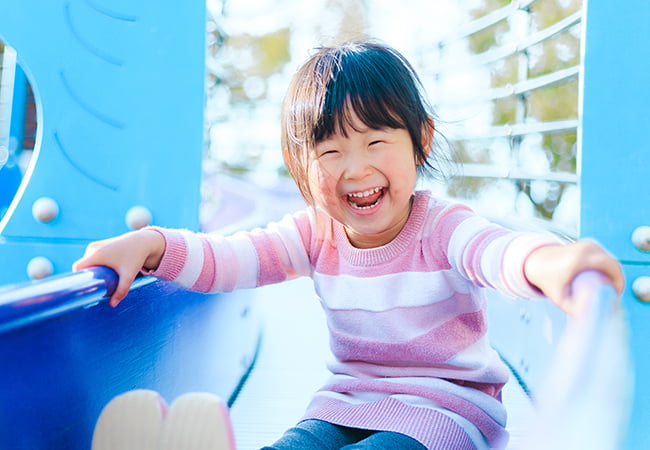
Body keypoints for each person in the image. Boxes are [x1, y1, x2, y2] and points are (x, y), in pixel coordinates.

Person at [77, 40, 624, 450]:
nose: (356, 169)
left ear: (421, 141)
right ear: (301, 166)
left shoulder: (443, 228)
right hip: (346, 404)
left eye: (376, 141)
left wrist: (551, 264)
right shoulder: (315, 232)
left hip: (448, 413)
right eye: (330, 152)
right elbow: (233, 259)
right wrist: (151, 244)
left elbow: (498, 253)